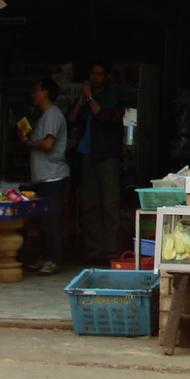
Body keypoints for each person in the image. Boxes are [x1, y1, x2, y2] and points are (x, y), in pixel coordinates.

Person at [67, 62, 125, 263]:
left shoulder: (112, 97)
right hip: (87, 155)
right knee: (90, 206)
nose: (95, 78)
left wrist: (90, 97)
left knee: (110, 205)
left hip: (107, 156)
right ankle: (94, 252)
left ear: (107, 77)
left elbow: (104, 117)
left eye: (100, 74)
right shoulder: (85, 98)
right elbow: (72, 119)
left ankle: (110, 253)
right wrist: (82, 100)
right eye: (93, 73)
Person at [17, 78, 69, 274]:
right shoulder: (46, 115)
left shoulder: (52, 115)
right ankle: (45, 257)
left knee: (51, 221)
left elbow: (48, 144)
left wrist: (28, 143)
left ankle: (53, 259)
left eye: (36, 90)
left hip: (53, 177)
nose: (33, 94)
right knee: (42, 221)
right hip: (43, 176)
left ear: (45, 93)